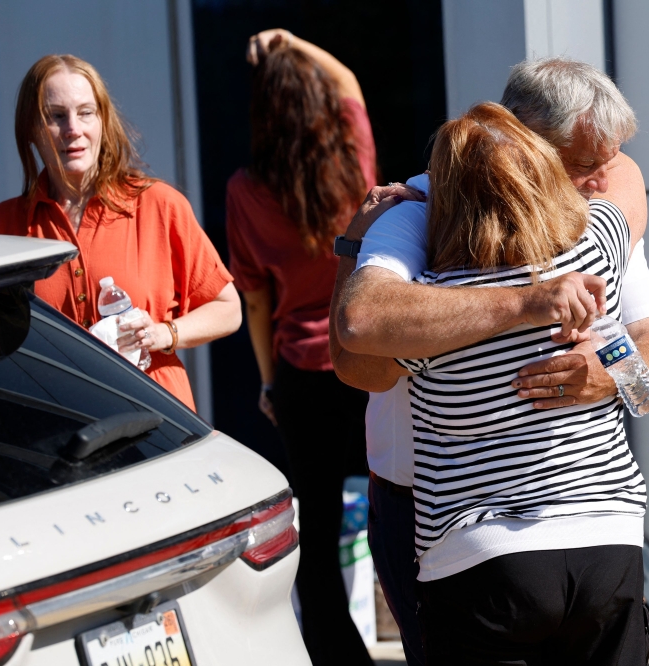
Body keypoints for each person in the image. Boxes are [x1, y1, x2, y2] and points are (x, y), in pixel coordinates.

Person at [330, 58, 649, 666]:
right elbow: (359, 348)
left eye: (606, 161)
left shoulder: (590, 216)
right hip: (430, 507)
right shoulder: (417, 213)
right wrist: (525, 305)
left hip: (557, 526)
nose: (602, 180)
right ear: (523, 142)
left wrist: (609, 374)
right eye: (582, 164)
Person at [225, 29, 383, 666]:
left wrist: (268, 382)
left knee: (314, 538)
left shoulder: (245, 190)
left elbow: (255, 299)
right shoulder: (354, 163)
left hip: (301, 376)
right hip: (372, 361)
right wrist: (293, 43)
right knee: (400, 508)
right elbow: (349, 81)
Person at [0, 54, 240, 412]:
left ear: (102, 121)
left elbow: (228, 308)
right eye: (56, 116)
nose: (73, 128)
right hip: (56, 426)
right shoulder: (1, 227)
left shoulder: (159, 205)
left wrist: (165, 333)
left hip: (158, 420)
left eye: (86, 112)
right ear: (31, 130)